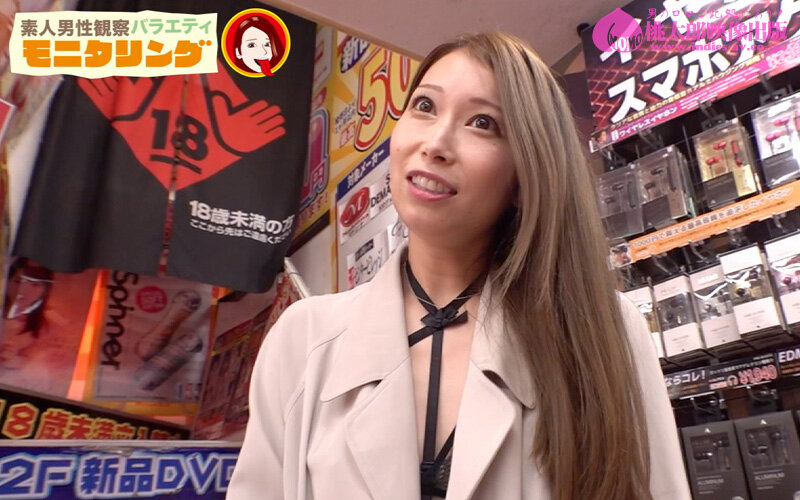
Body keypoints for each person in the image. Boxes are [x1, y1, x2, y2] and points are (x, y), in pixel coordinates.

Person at [227, 32, 690, 500]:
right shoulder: (304, 339)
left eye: (482, 123)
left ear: (526, 176)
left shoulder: (603, 331)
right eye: (425, 106)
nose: (436, 143)